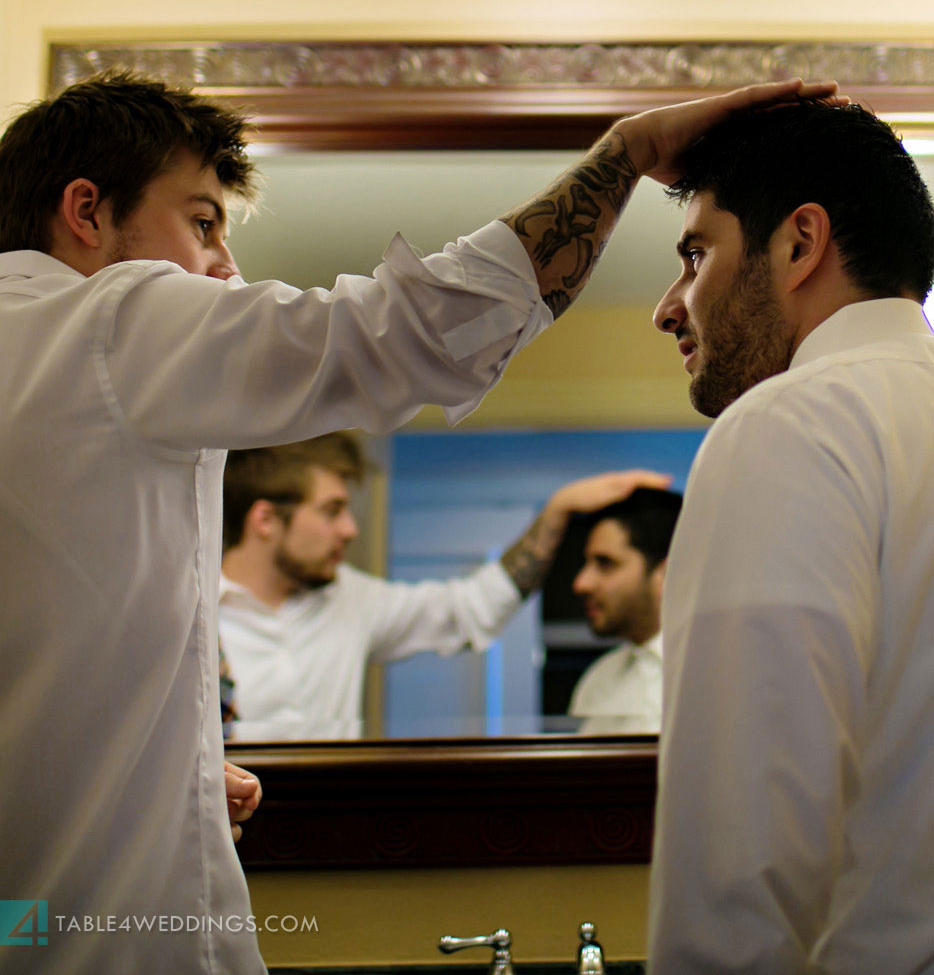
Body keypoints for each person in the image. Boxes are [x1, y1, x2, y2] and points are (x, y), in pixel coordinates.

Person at [0, 69, 833, 975]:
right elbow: (419, 331)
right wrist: (626, 153)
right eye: (201, 222)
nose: (225, 268)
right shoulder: (105, 324)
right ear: (85, 211)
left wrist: (167, 780)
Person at [648, 100, 934, 974]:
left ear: (799, 244)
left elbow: (741, 860)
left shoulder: (791, 423)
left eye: (696, 255)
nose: (668, 308)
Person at [219, 435, 668, 738]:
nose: (350, 529)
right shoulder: (186, 619)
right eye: (332, 510)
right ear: (265, 520)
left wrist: (556, 513)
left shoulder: (351, 601)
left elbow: (470, 608)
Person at [568, 485, 681, 734]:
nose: (581, 583)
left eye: (605, 563)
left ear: (665, 574)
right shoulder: (599, 680)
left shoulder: (715, 677)